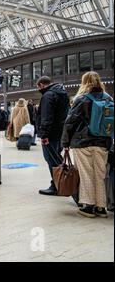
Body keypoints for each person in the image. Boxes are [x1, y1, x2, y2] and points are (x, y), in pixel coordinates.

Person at [62, 72, 112, 218]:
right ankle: (101, 207)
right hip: (103, 142)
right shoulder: (108, 99)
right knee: (100, 175)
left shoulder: (82, 99)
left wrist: (65, 142)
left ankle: (88, 206)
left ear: (84, 82)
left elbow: (70, 122)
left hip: (83, 142)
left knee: (86, 175)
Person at [36, 76, 70, 196]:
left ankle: (58, 185)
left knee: (52, 159)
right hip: (60, 132)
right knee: (56, 158)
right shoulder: (63, 93)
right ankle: (59, 183)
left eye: (38, 87)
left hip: (50, 134)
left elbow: (46, 117)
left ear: (41, 85)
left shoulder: (48, 95)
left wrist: (44, 134)